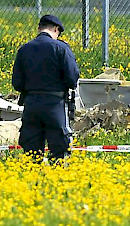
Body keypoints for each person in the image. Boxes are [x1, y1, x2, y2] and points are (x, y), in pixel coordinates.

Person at [12, 14, 80, 162]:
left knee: (31, 150)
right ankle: (57, 178)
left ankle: (33, 179)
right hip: (55, 104)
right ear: (56, 29)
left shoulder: (24, 49)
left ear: (39, 29)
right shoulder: (61, 48)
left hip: (31, 104)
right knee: (60, 149)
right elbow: (72, 78)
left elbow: (17, 83)